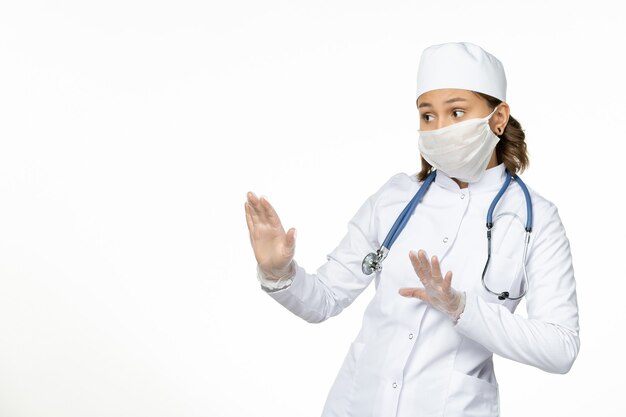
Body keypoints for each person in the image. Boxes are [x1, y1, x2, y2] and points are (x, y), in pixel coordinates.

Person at [244, 41, 580, 417]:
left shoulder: (536, 218)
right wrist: (278, 273)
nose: (440, 128)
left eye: (456, 112)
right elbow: (324, 299)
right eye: (428, 116)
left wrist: (462, 308)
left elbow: (560, 348)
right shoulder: (395, 198)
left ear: (498, 118)